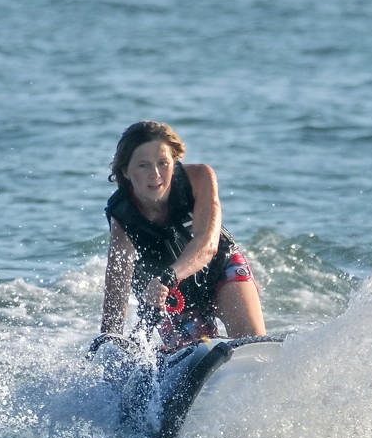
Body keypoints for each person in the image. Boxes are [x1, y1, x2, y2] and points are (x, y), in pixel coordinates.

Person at [97, 120, 266, 350]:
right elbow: (118, 280)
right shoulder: (122, 213)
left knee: (253, 345)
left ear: (175, 162)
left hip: (220, 268)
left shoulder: (199, 179)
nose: (155, 174)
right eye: (143, 165)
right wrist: (109, 340)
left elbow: (207, 246)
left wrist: (168, 276)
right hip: (172, 296)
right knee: (198, 354)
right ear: (125, 171)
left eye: (163, 163)